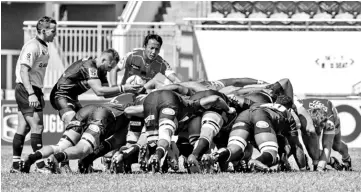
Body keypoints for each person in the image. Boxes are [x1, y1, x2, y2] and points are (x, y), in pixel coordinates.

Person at [124, 88, 236, 173]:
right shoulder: (191, 105)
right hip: (170, 101)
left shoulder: (189, 103)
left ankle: (152, 158)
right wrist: (228, 109)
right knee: (165, 135)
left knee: (154, 141)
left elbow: (128, 110)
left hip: (150, 99)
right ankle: (190, 156)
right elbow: (215, 99)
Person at [11, 16, 57, 173]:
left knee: (23, 128)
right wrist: (31, 93)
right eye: (53, 31)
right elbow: (24, 70)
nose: (55, 34)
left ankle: (16, 166)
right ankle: (39, 165)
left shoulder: (43, 46)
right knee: (37, 126)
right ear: (43, 31)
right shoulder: (33, 46)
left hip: (32, 89)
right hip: (27, 89)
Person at [50, 48, 141, 128]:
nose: (109, 70)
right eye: (109, 67)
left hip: (73, 97)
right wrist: (123, 88)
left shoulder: (102, 71)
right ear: (103, 60)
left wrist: (128, 91)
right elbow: (99, 91)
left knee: (82, 126)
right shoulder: (89, 66)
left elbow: (106, 94)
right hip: (60, 95)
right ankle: (63, 147)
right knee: (72, 125)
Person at [296, 98, 352, 171]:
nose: (320, 129)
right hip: (311, 117)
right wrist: (317, 162)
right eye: (319, 126)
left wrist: (320, 167)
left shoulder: (329, 122)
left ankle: (346, 158)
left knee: (336, 146)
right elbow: (309, 143)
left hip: (332, 114)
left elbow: (327, 146)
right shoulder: (305, 117)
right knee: (311, 141)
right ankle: (330, 161)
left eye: (322, 126)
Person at [109, 34, 182, 86]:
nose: (153, 52)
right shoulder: (132, 56)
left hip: (142, 95)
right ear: (144, 47)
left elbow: (175, 80)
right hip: (125, 93)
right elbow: (114, 70)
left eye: (157, 49)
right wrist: (115, 89)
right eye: (151, 48)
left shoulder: (162, 64)